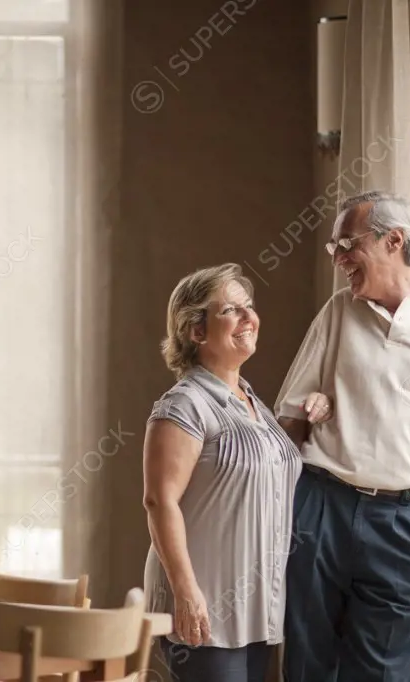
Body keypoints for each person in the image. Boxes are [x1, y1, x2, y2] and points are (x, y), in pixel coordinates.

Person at [275, 190, 410, 682]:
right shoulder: (338, 312)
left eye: (346, 246)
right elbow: (289, 418)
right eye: (334, 251)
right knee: (309, 668)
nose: (339, 261)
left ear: (394, 240)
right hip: (322, 509)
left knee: (384, 675)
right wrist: (286, 507)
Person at [142, 263, 330, 682]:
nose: (250, 319)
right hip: (206, 610)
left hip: (255, 609)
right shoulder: (184, 405)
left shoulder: (252, 403)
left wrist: (317, 409)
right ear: (196, 331)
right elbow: (160, 500)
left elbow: (270, 474)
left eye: (250, 307)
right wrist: (186, 593)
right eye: (232, 310)